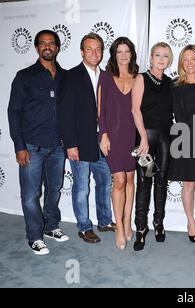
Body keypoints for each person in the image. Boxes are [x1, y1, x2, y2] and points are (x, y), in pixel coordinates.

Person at [8, 29, 68, 255]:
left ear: (57, 47)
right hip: (32, 146)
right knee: (31, 194)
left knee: (54, 188)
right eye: (42, 43)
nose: (47, 46)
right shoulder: (24, 76)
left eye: (51, 43)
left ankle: (51, 226)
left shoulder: (65, 76)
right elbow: (14, 112)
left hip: (58, 145)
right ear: (36, 48)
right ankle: (35, 235)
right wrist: (19, 146)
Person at [58, 33, 116, 244]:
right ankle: (84, 226)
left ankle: (104, 220)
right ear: (82, 52)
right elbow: (64, 113)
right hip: (80, 142)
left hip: (103, 140)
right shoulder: (70, 76)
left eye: (98, 49)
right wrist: (70, 144)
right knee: (82, 186)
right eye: (89, 49)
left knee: (105, 181)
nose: (94, 53)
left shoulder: (108, 77)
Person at [98, 37, 144, 250]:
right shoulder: (106, 77)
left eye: (127, 51)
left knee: (130, 179)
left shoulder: (137, 77)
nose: (124, 55)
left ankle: (127, 221)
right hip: (113, 136)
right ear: (114, 54)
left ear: (132, 53)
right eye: (119, 51)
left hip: (131, 136)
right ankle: (118, 226)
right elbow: (101, 110)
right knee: (119, 181)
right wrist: (103, 134)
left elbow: (139, 110)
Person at [132, 42, 174, 251]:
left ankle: (158, 223)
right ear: (150, 57)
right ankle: (141, 228)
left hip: (166, 138)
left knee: (161, 181)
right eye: (157, 55)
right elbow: (135, 110)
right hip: (145, 138)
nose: (161, 59)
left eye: (165, 56)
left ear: (169, 60)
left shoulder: (170, 82)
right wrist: (143, 139)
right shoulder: (141, 78)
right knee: (144, 183)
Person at [168, 44, 195, 242]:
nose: (189, 63)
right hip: (185, 137)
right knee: (189, 185)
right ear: (180, 63)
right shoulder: (175, 86)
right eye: (185, 59)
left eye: (193, 58)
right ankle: (191, 222)